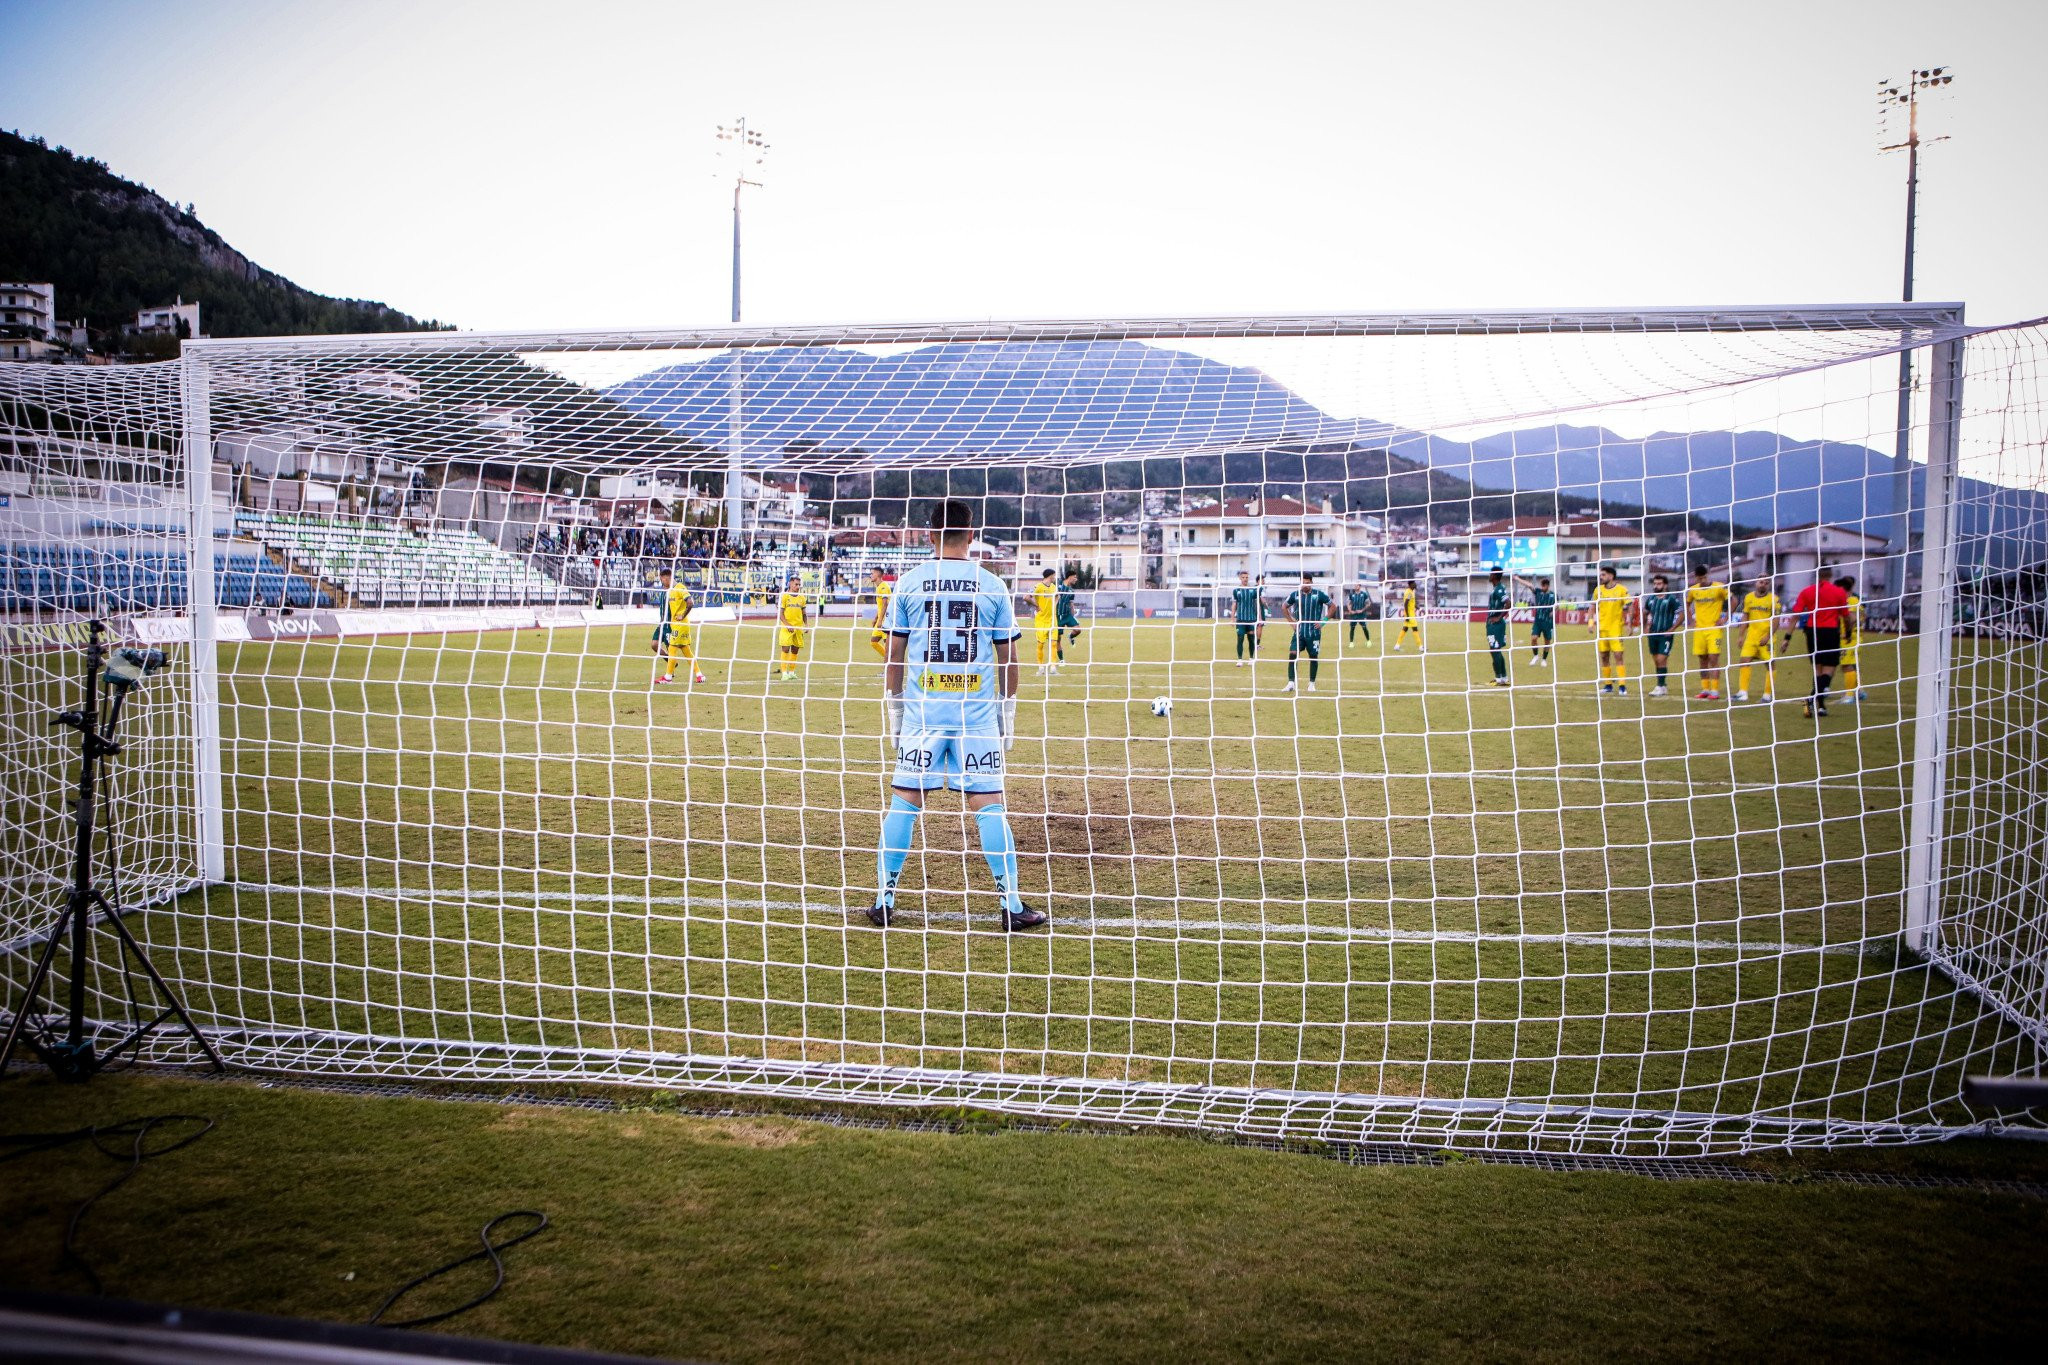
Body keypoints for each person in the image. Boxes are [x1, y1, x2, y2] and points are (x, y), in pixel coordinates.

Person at [870, 499, 1045, 932]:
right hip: (978, 716)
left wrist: (895, 712)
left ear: (930, 535)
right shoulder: (992, 585)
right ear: (971, 535)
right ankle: (1011, 906)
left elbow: (894, 654)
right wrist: (1009, 712)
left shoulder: (908, 583)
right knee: (988, 806)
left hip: (923, 715)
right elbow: (1009, 660)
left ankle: (883, 901)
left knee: (905, 801)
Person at [1790, 565, 1851, 718]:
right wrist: (1848, 633)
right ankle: (1811, 699)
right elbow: (1846, 616)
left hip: (1812, 632)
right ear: (1830, 575)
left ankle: (1821, 707)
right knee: (1829, 670)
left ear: (1817, 576)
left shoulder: (1807, 591)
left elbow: (1796, 614)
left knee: (1818, 670)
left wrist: (1787, 638)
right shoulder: (1839, 592)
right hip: (1830, 632)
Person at [651, 567, 704, 685]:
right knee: (686, 650)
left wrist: (682, 615)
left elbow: (690, 603)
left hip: (679, 625)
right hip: (677, 625)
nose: (662, 582)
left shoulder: (680, 588)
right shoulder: (670, 590)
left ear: (666, 578)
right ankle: (699, 675)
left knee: (673, 649)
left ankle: (668, 676)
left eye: (662, 580)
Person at [1281, 572, 1333, 693]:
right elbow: (1284, 607)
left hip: (1314, 632)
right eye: (1304, 583)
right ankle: (1291, 683)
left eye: (1308, 583)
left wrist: (1323, 621)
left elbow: (1333, 606)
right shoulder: (1295, 595)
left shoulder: (1319, 594)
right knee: (1293, 653)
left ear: (1311, 583)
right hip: (1299, 631)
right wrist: (1291, 622)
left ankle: (1311, 684)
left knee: (1313, 657)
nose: (1306, 585)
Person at [1686, 564, 1732, 700]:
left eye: (1704, 577)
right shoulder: (1693, 590)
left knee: (1713, 659)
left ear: (1708, 575)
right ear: (1696, 578)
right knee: (1702, 660)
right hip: (1699, 629)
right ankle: (1705, 689)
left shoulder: (1719, 587)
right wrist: (1690, 620)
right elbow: (1687, 603)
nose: (1702, 581)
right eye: (1699, 578)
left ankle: (1715, 690)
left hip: (1714, 630)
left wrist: (1725, 618)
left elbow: (1733, 600)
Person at [1735, 575, 1780, 701]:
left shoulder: (1774, 599)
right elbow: (1745, 617)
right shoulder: (1749, 597)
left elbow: (1776, 621)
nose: (1763, 584)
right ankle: (1743, 693)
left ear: (1769, 585)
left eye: (1766, 582)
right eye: (1761, 582)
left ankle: (1767, 695)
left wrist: (1767, 636)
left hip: (1766, 638)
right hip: (1751, 637)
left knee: (1770, 664)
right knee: (1744, 661)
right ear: (1756, 583)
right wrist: (1741, 636)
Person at [1590, 565, 1633, 695]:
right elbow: (1592, 607)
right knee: (1604, 656)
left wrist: (1629, 623)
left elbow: (1630, 606)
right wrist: (1591, 623)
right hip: (1602, 629)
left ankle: (1622, 686)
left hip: (1615, 629)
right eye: (1600, 574)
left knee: (1618, 656)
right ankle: (1608, 685)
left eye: (1603, 575)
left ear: (1611, 576)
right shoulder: (1598, 590)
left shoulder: (1621, 590)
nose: (1600, 577)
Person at [1639, 573, 1683, 697]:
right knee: (1656, 661)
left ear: (1665, 585)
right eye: (1655, 583)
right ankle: (1663, 686)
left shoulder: (1671, 599)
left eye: (1659, 583)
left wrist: (1672, 629)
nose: (1656, 586)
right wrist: (1644, 627)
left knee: (1661, 658)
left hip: (1665, 634)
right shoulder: (1651, 599)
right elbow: (1645, 612)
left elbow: (1681, 614)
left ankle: (1659, 686)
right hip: (1653, 634)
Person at [775, 572, 809, 681]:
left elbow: (804, 613)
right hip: (786, 627)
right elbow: (780, 614)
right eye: (796, 584)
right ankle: (784, 673)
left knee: (795, 650)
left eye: (799, 585)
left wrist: (806, 625)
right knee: (785, 649)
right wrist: (787, 624)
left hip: (798, 628)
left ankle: (792, 672)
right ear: (790, 583)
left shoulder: (802, 597)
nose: (798, 587)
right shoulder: (784, 596)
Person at [1227, 570, 1265, 667]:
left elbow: (1257, 604)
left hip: (1251, 619)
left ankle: (1251, 659)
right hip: (1240, 619)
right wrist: (1232, 619)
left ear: (1248, 578)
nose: (1245, 579)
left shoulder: (1253, 590)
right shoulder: (1236, 590)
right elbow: (1234, 604)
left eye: (1246, 577)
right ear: (1240, 578)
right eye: (1243, 577)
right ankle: (1239, 659)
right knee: (1240, 638)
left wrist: (1259, 618)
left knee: (1251, 639)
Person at [1481, 565, 1511, 687]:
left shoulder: (1499, 589)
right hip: (1492, 624)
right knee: (1494, 650)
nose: (1489, 575)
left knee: (1495, 650)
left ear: (1494, 575)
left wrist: (1499, 617)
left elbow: (1508, 603)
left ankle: (1501, 679)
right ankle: (1502, 678)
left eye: (1491, 573)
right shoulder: (1496, 589)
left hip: (1496, 624)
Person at [1837, 575, 1865, 702]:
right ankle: (1859, 691)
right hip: (1856, 637)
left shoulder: (1851, 601)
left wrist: (1846, 633)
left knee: (1846, 665)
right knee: (1852, 665)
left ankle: (1849, 696)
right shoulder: (1856, 600)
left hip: (1849, 639)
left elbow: (1852, 618)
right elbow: (1863, 616)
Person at [1519, 574, 1555, 666]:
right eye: (1541, 586)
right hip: (1538, 621)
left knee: (1547, 641)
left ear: (1547, 586)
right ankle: (1535, 656)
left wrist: (1553, 611)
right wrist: (1518, 578)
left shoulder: (1552, 595)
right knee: (1534, 638)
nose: (1542, 587)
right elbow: (1529, 585)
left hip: (1548, 622)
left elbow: (1556, 606)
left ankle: (1544, 659)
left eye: (1544, 586)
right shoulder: (1538, 592)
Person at [1031, 569, 1059, 672]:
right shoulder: (1038, 587)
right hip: (1041, 620)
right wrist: (1036, 606)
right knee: (1041, 644)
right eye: (1054, 575)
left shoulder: (1053, 587)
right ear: (1050, 576)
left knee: (1054, 643)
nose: (1055, 577)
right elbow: (1026, 597)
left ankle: (1053, 667)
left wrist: (1054, 606)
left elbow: (1057, 597)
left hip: (1052, 620)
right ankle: (1041, 667)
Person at [868, 567, 893, 660]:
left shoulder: (883, 586)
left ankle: (888, 666)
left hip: (886, 621)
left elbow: (885, 604)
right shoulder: (879, 587)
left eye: (872, 573)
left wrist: (879, 621)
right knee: (873, 642)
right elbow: (880, 606)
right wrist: (876, 618)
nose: (871, 575)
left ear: (878, 574)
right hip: (881, 620)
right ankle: (888, 659)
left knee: (888, 647)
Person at [1056, 570, 1083, 659]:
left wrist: (1073, 614)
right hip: (1058, 616)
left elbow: (1071, 603)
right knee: (1058, 639)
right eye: (1075, 577)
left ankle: (1070, 636)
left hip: (1067, 615)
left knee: (1078, 630)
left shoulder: (1071, 591)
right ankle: (1061, 660)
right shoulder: (1058, 585)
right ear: (1070, 577)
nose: (1076, 579)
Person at [1393, 579, 1424, 651]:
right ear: (1410, 585)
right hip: (1410, 614)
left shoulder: (1411, 592)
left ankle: (1397, 645)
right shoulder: (1409, 593)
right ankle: (1420, 647)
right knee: (1415, 629)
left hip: (1410, 614)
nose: (1415, 584)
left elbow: (1412, 604)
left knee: (1405, 629)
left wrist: (1420, 609)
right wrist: (1407, 616)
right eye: (1414, 583)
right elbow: (1406, 604)